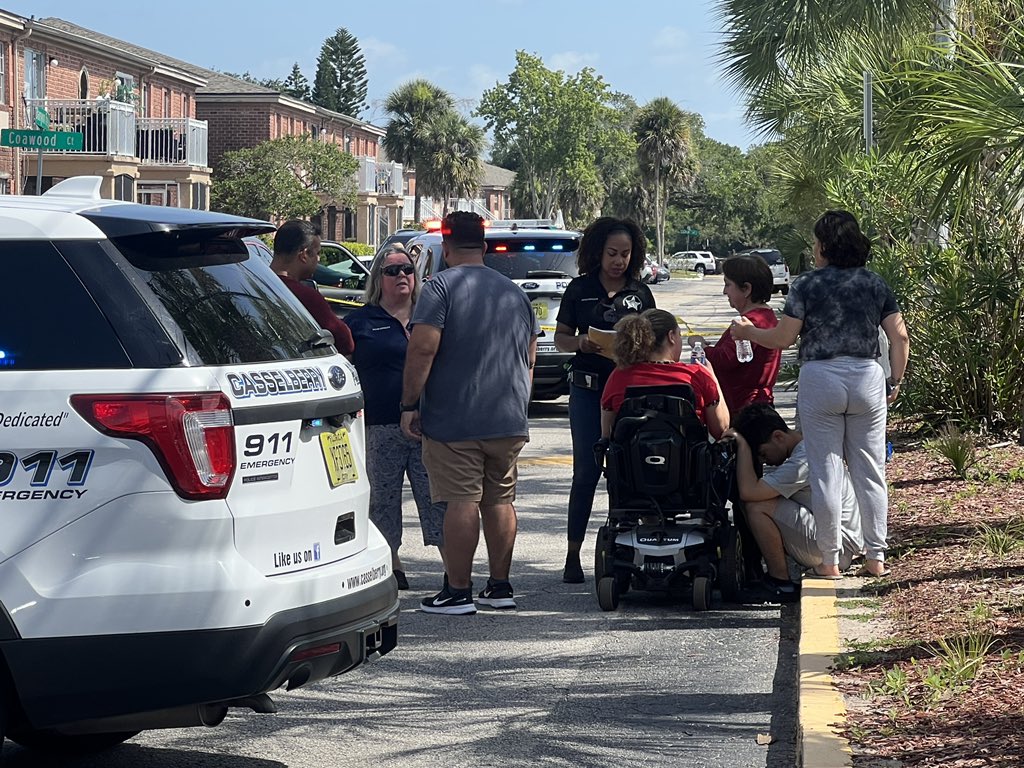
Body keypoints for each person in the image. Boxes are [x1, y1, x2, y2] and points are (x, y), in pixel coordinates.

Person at [732, 210, 909, 578]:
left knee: (826, 470)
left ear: (826, 245)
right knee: (869, 470)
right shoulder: (874, 283)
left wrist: (749, 334)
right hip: (866, 376)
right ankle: (875, 556)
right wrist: (895, 381)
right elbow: (899, 337)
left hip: (821, 377)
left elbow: (783, 337)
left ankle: (829, 561)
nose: (813, 249)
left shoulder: (807, 285)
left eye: (815, 242)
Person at [400, 211, 540, 615]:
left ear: (446, 246)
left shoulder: (440, 287)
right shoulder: (513, 292)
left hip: (457, 417)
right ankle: (500, 587)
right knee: (500, 499)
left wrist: (410, 404)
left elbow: (423, 348)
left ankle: (458, 591)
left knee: (461, 499)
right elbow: (528, 357)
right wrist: (518, 403)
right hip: (508, 416)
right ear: (483, 247)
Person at [554, 217, 656, 584]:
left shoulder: (640, 293)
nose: (619, 261)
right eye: (612, 253)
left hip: (630, 390)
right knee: (586, 471)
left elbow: (656, 338)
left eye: (626, 254)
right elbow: (561, 338)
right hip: (587, 388)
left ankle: (627, 550)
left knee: (628, 469)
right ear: (597, 253)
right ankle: (572, 554)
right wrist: (581, 342)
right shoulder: (579, 289)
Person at [345, 244, 446, 591]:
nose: (402, 276)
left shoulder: (430, 316)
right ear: (378, 279)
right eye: (392, 271)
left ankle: (454, 570)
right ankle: (392, 564)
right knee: (383, 500)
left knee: (437, 498)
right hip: (380, 425)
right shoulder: (360, 321)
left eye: (407, 270)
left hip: (428, 425)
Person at [728, 404, 865, 601]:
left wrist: (741, 445)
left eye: (763, 454)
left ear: (778, 437)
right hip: (839, 543)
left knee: (757, 506)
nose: (764, 462)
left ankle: (780, 582)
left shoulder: (802, 462)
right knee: (764, 499)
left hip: (837, 548)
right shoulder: (808, 446)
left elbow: (749, 492)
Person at [601, 309, 729, 440]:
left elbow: (607, 434)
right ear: (671, 336)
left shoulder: (619, 376)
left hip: (632, 458)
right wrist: (712, 377)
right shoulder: (696, 375)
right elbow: (721, 430)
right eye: (679, 335)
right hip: (688, 458)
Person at [692, 255, 781, 414]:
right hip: (754, 406)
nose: (724, 291)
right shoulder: (764, 317)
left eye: (728, 285)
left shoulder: (750, 323)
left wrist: (701, 347)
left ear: (746, 289)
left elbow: (725, 359)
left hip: (746, 411)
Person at [270, 220, 354, 355]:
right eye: (317, 253)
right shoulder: (306, 297)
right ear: (303, 255)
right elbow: (345, 342)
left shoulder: (251, 286)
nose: (318, 259)